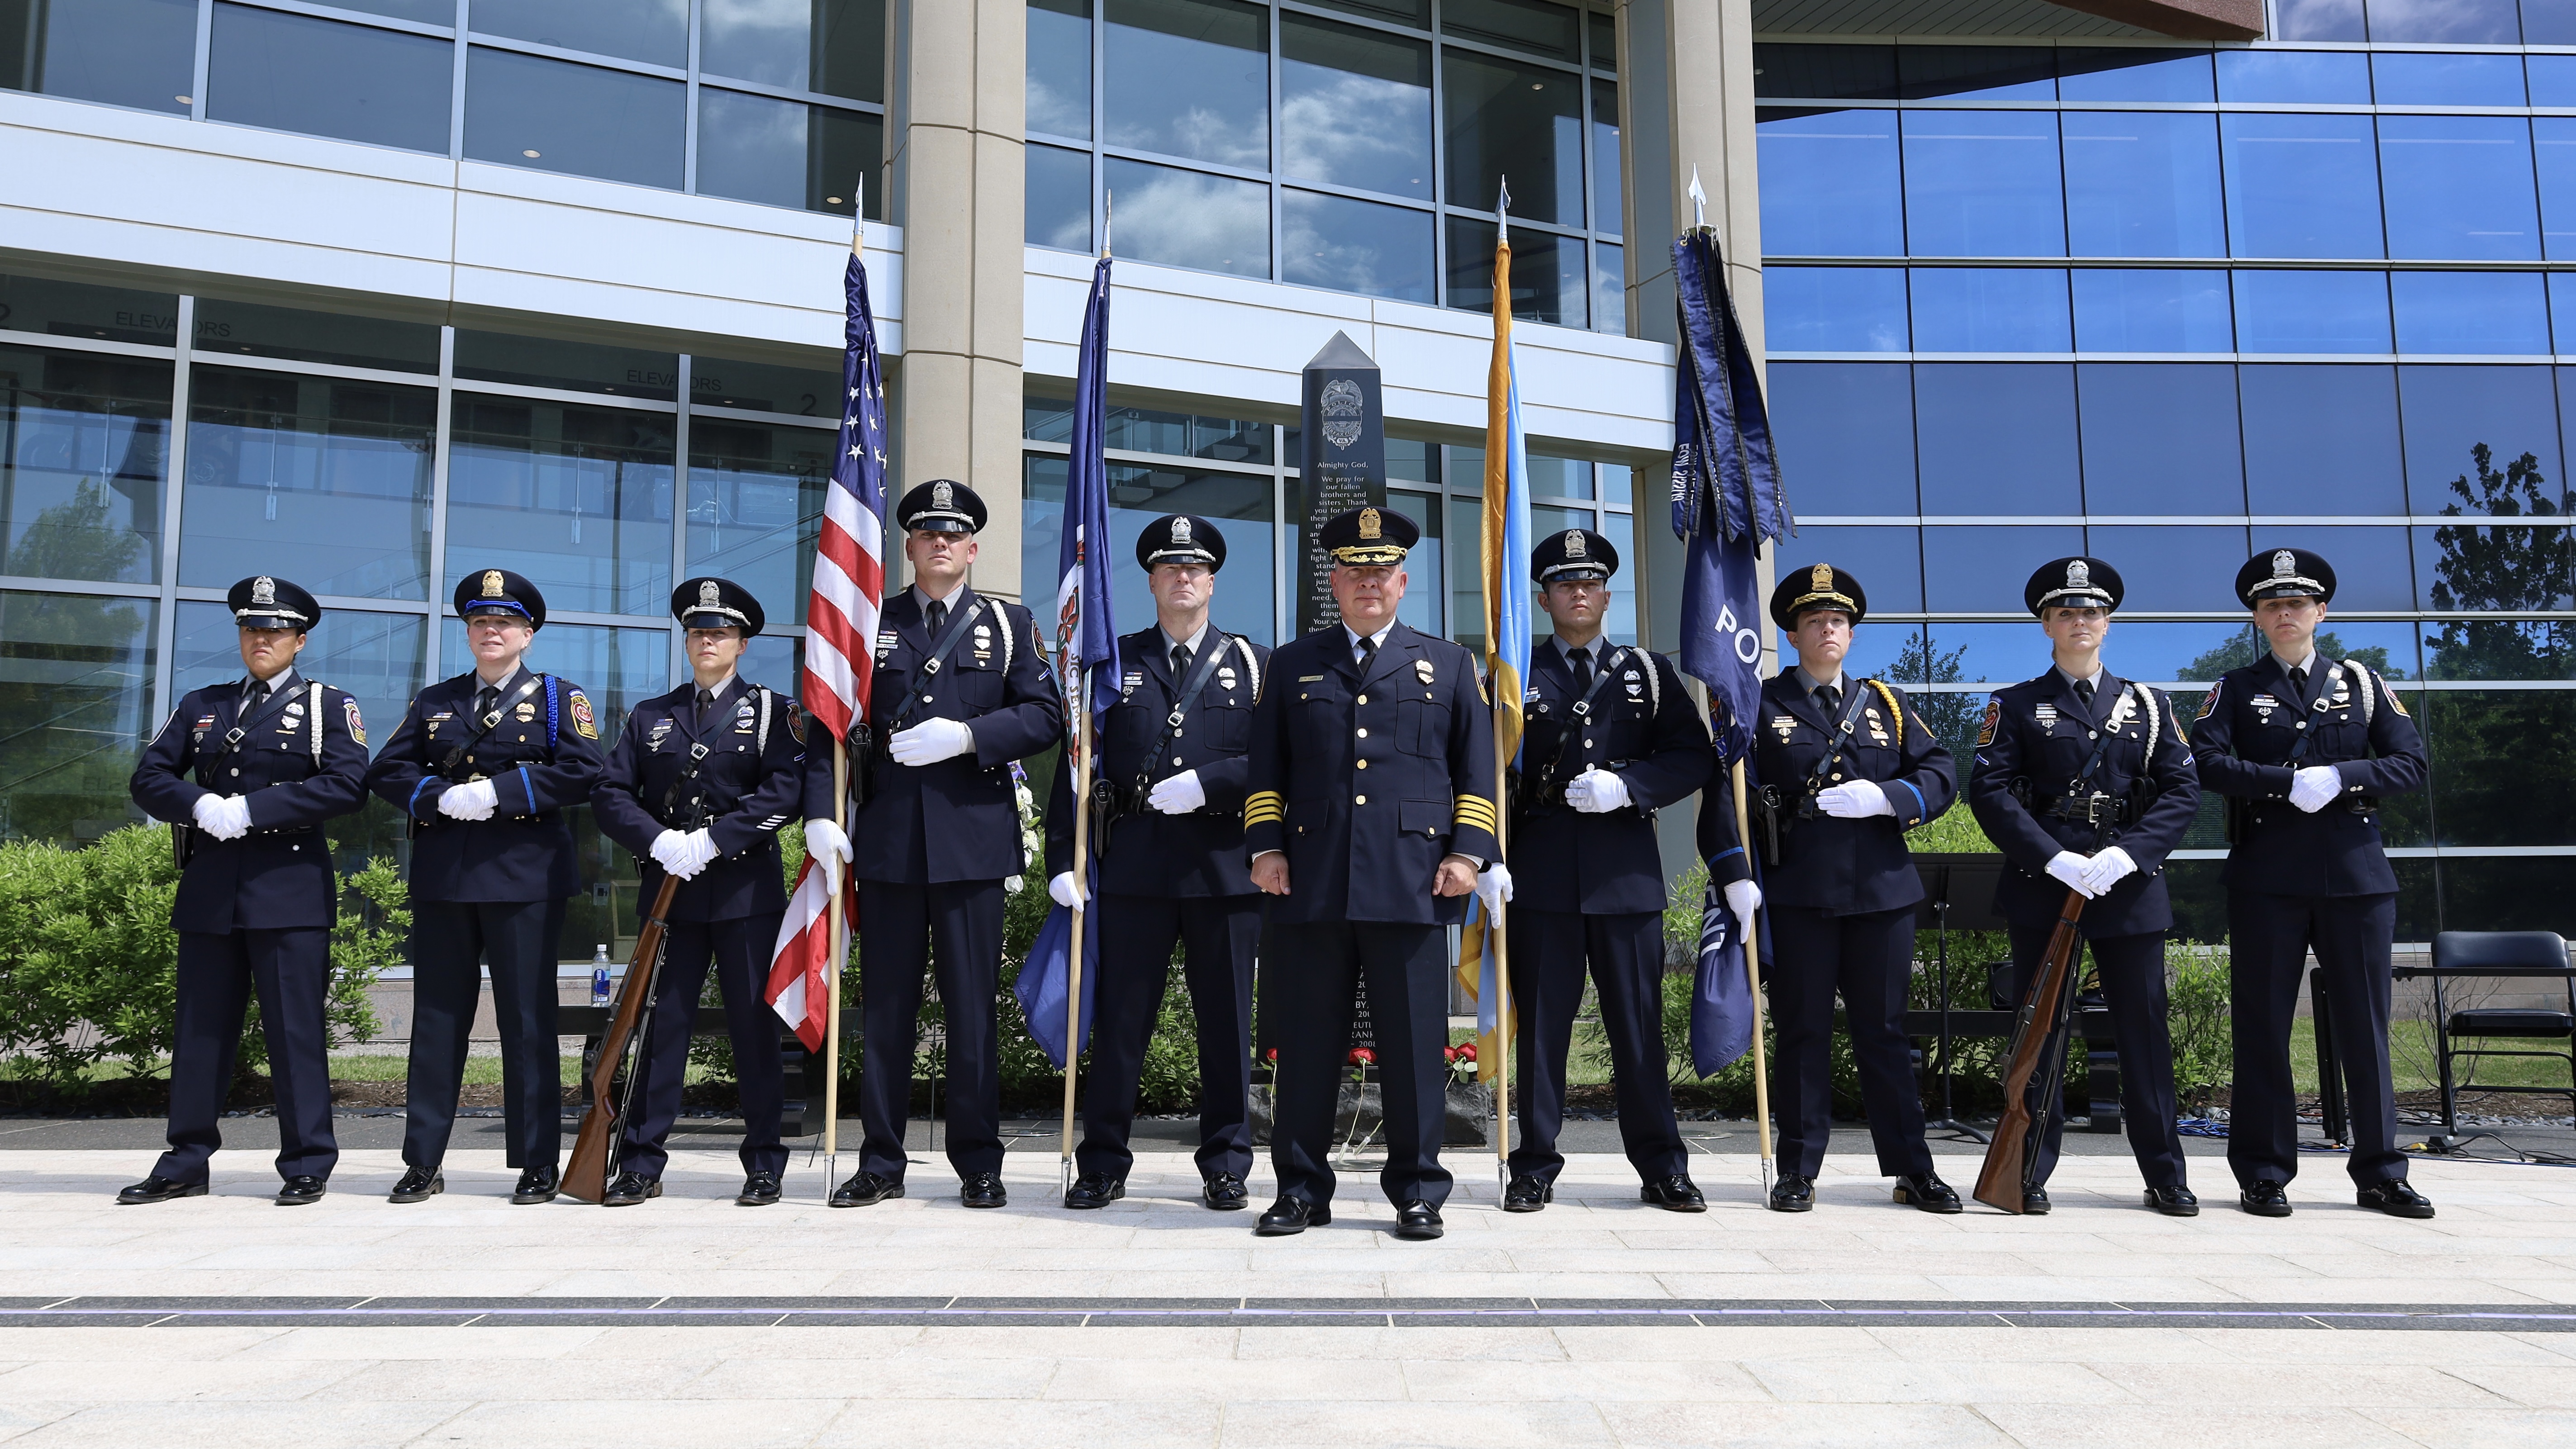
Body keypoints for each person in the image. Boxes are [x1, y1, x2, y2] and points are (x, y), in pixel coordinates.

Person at [802, 479, 1062, 1210]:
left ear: (972, 550)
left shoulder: (1008, 625)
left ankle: (978, 1161)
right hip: (888, 845)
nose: (940, 544)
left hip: (972, 845)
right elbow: (829, 726)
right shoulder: (867, 624)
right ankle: (880, 1161)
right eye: (927, 534)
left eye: (953, 535)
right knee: (887, 1013)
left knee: (971, 1011)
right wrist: (820, 813)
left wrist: (970, 736)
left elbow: (1045, 715)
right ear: (909, 548)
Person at [1241, 504, 1499, 1241]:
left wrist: (1466, 853)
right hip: (1310, 881)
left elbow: (1476, 770)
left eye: (1381, 572)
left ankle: (1417, 1192)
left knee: (1413, 1049)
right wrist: (1265, 848)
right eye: (1354, 573)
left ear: (1402, 582)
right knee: (1306, 1046)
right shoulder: (1291, 662)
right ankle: (1300, 1190)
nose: (1368, 584)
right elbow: (1266, 768)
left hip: (1413, 881)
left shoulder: (1448, 664)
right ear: (1334, 581)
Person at [1701, 563, 1960, 1214]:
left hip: (1881, 895)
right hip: (1798, 896)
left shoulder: (1887, 706)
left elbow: (1941, 773)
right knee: (1802, 1034)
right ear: (1792, 635)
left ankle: (1913, 1169)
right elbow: (1725, 796)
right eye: (1815, 621)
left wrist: (1887, 796)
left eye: (1838, 621)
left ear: (1851, 634)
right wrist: (1734, 874)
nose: (1828, 630)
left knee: (1885, 1034)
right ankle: (1797, 1169)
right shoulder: (1756, 703)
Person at [2191, 548, 2433, 1219]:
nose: (2285, 614)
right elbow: (2203, 761)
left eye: (2297, 603)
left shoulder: (2362, 683)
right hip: (2267, 877)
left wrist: (2342, 776)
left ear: (2320, 612)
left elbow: (2411, 763)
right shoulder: (2234, 688)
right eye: (2272, 605)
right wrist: (2282, 783)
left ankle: (2381, 1173)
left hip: (2356, 878)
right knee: (2263, 1026)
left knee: (2366, 1027)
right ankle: (2263, 1172)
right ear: (2257, 619)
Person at [119, 577, 371, 1206]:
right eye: (252, 629)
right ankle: (185, 1161)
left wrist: (255, 810)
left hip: (288, 889)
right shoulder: (203, 704)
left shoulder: (327, 707)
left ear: (299, 640)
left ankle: (308, 1162)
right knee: (200, 1034)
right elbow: (149, 777)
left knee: (295, 1033)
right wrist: (201, 804)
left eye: (276, 631)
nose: (262, 639)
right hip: (212, 889)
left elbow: (348, 785)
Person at [1965, 557, 2202, 1216]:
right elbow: (1988, 791)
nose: (2080, 622)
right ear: (2046, 625)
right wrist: (2052, 859)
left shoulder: (2149, 706)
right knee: (2041, 1031)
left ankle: (2165, 1175)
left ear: (2108, 623)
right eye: (2066, 613)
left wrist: (2130, 854)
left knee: (2144, 1035)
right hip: (2048, 888)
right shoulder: (2014, 705)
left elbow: (2183, 789)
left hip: (2128, 888)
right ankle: (2027, 1173)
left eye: (2091, 612)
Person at [1045, 515, 1269, 1211]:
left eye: (1194, 568)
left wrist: (1212, 783)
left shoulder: (1254, 664)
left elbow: (1279, 760)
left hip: (1223, 871)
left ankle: (1226, 1164)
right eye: (1170, 568)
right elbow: (1076, 768)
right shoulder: (1113, 663)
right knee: (1120, 1027)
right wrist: (1061, 858)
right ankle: (1102, 1164)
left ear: (1212, 581)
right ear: (1150, 582)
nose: (1183, 578)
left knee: (1225, 1029)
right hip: (1134, 870)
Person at [365, 569, 605, 1204]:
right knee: (436, 1022)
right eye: (479, 622)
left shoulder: (557, 699)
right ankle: (423, 1161)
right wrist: (438, 796)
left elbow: (587, 770)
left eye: (503, 622)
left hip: (525, 878)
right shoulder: (435, 700)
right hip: (446, 878)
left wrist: (498, 793)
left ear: (527, 634)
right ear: (468, 633)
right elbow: (386, 769)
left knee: (528, 1021)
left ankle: (537, 1162)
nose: (490, 631)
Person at [1502, 528, 1715, 1214]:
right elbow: (1484, 768)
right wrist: (1487, 856)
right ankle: (1533, 1166)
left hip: (1624, 877)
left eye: (1590, 582)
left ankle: (1662, 1167)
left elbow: (1694, 755)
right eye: (1564, 584)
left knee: (1638, 1029)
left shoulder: (1645, 672)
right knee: (1542, 1034)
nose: (1579, 592)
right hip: (1540, 874)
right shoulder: (1513, 672)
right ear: (1542, 599)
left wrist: (1629, 786)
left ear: (1607, 596)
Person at [587, 578, 808, 1207]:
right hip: (671, 896)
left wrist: (715, 840)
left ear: (742, 644)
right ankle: (640, 1163)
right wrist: (658, 841)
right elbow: (610, 792)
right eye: (698, 632)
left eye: (720, 632)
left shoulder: (773, 713)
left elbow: (786, 792)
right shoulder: (650, 715)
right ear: (687, 642)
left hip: (744, 895)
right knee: (662, 1030)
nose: (708, 641)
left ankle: (764, 1164)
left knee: (755, 1033)